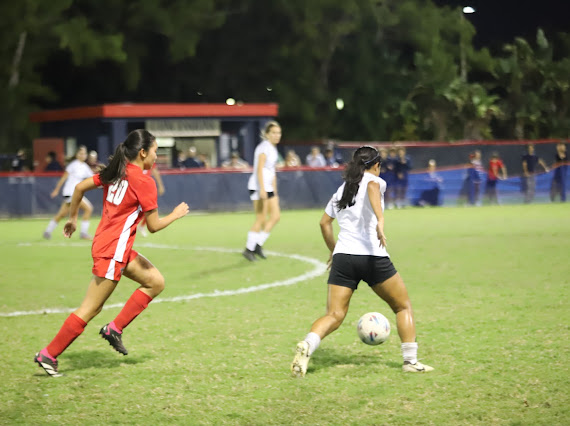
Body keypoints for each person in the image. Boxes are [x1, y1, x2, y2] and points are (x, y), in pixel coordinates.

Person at [34, 129, 189, 377]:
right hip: (113, 250)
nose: (156, 156)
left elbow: (79, 188)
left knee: (155, 282)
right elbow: (154, 226)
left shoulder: (116, 171)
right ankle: (48, 355)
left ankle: (114, 329)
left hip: (112, 245)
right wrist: (176, 214)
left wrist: (73, 219)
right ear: (142, 152)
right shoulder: (144, 181)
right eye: (155, 151)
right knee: (90, 309)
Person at [290, 146, 433, 377]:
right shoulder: (375, 180)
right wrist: (380, 218)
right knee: (402, 305)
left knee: (334, 315)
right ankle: (410, 361)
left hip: (344, 258)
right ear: (376, 165)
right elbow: (373, 188)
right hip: (372, 257)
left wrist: (334, 251)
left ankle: (307, 344)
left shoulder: (343, 188)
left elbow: (324, 223)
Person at [242, 121, 282, 261]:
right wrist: (262, 189)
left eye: (279, 133)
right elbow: (259, 169)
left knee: (276, 216)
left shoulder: (273, 148)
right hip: (259, 187)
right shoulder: (264, 147)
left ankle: (257, 244)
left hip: (268, 187)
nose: (277, 135)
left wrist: (274, 191)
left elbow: (271, 171)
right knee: (261, 218)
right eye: (274, 133)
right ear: (267, 134)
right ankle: (248, 249)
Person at [43, 146, 94, 240]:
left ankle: (47, 231)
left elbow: (93, 177)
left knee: (62, 214)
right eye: (81, 153)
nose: (83, 155)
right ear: (77, 155)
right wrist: (56, 190)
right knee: (88, 209)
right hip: (71, 192)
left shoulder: (84, 166)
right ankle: (83, 233)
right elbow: (63, 178)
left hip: (72, 193)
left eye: (84, 153)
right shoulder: (73, 165)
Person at [137, 163, 166, 236]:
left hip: (145, 186)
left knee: (148, 208)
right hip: (136, 186)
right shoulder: (136, 159)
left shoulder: (150, 160)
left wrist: (160, 185)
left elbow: (155, 171)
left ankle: (142, 226)